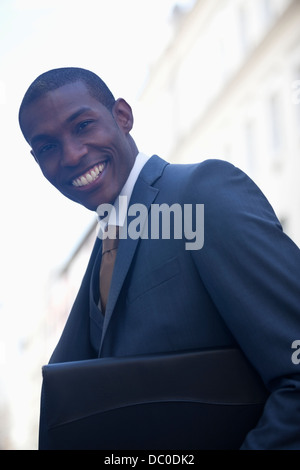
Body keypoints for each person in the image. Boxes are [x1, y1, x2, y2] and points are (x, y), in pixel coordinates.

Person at [19, 67, 300, 450]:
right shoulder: (106, 244)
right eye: (48, 147)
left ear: (123, 116)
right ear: (37, 162)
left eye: (83, 126)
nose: (71, 154)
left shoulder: (200, 194)